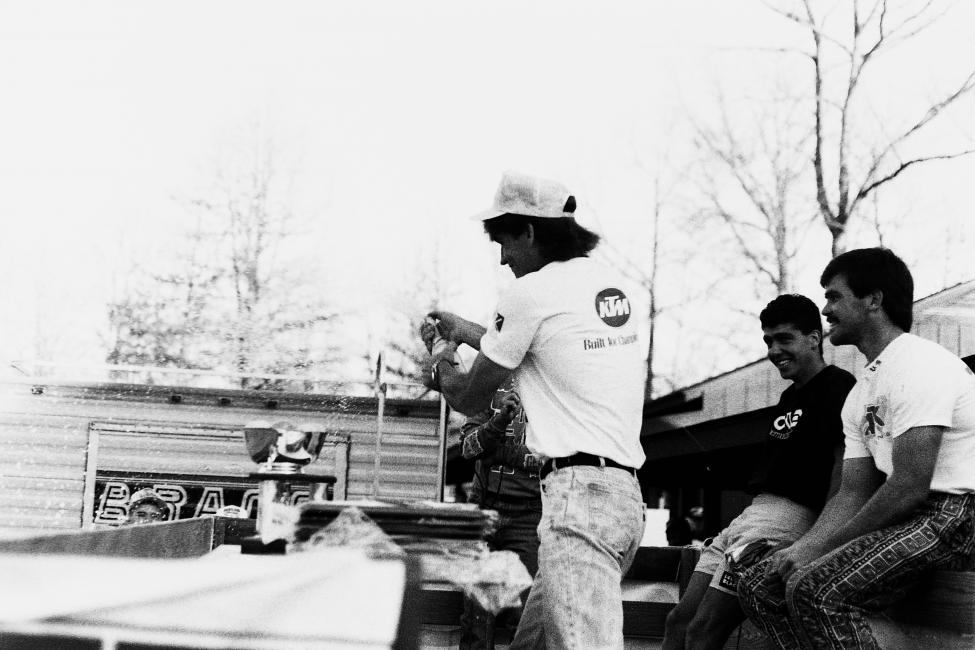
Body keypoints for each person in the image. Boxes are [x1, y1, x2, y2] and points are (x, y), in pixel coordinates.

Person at [422, 171, 646, 649]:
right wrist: (468, 330)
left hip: (576, 502)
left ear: (529, 230)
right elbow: (550, 348)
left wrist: (442, 350)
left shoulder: (530, 293)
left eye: (506, 242)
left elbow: (467, 396)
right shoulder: (613, 287)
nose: (504, 259)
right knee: (533, 644)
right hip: (622, 497)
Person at [737, 247, 975, 649]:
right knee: (762, 586)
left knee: (816, 591)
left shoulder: (920, 364)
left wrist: (821, 548)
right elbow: (852, 490)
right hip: (906, 515)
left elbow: (909, 485)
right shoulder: (861, 389)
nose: (826, 310)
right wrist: (805, 546)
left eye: (834, 296)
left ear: (873, 300)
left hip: (951, 514)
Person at [662, 294, 855, 650]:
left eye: (785, 338)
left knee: (705, 629)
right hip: (747, 519)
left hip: (784, 523)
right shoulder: (788, 398)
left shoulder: (838, 387)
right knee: (679, 620)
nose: (774, 350)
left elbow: (843, 472)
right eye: (768, 340)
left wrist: (821, 540)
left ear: (814, 337)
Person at [455, 384, 542, 649]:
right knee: (477, 617)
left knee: (528, 616)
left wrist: (496, 452)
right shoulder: (490, 383)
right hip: (484, 509)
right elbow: (469, 449)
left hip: (531, 514)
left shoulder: (551, 387)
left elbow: (552, 455)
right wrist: (500, 420)